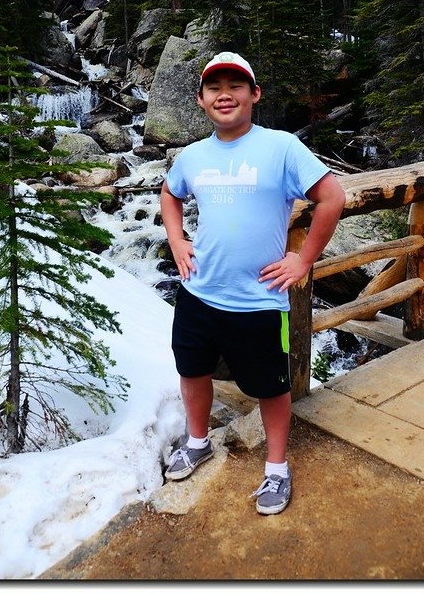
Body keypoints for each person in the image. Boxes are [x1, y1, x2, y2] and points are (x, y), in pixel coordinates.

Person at [160, 51, 346, 515]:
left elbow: (332, 196)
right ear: (201, 100)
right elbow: (169, 193)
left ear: (254, 94)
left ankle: (277, 469)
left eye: (236, 85)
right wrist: (177, 240)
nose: (225, 94)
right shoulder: (193, 156)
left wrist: (303, 260)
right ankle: (198, 441)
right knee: (192, 371)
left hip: (259, 300)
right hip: (199, 292)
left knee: (271, 387)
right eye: (215, 87)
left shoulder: (280, 147)